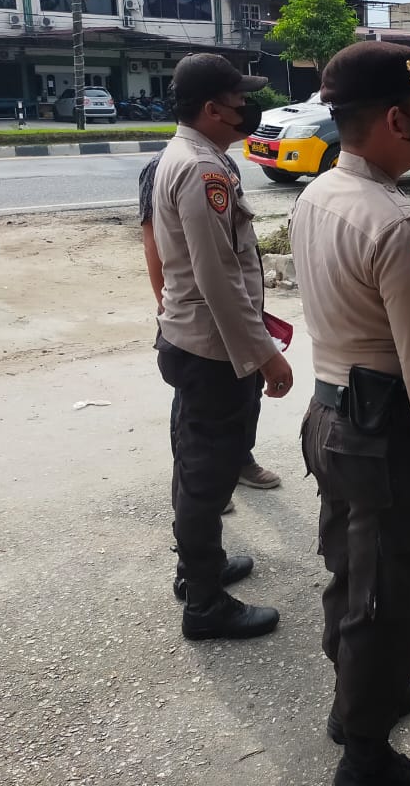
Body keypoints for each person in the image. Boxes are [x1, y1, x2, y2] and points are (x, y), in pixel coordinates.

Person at [290, 42, 410, 786]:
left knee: (351, 567)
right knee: (393, 596)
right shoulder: (399, 223)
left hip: (330, 412)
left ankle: (358, 700)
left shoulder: (319, 193)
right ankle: (364, 758)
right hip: (384, 429)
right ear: (397, 119)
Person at [151, 53, 293, 642]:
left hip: (190, 339)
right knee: (208, 472)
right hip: (211, 348)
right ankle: (205, 604)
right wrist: (264, 353)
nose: (248, 110)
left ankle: (197, 568)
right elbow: (218, 277)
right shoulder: (203, 170)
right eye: (239, 101)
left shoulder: (184, 154)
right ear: (211, 109)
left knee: (194, 461)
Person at [139, 151, 283, 505]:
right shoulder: (165, 168)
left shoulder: (224, 164)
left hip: (239, 308)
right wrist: (165, 304)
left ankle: (237, 460)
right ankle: (196, 486)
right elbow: (152, 241)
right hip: (198, 320)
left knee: (247, 391)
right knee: (196, 410)